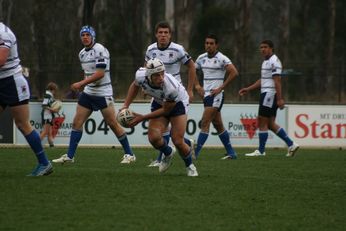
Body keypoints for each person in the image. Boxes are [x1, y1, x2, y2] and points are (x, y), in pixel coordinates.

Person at [52, 25, 135, 164]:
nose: (85, 37)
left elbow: (100, 74)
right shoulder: (81, 53)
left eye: (87, 35)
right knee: (76, 123)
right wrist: (83, 86)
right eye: (82, 35)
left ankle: (130, 154)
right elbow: (88, 73)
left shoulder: (100, 50)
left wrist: (81, 83)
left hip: (103, 93)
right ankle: (70, 156)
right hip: (89, 93)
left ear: (93, 37)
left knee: (113, 124)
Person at [122, 58, 198, 176]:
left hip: (178, 103)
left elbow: (166, 110)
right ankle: (168, 153)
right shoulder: (140, 75)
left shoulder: (170, 87)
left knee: (177, 140)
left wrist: (142, 117)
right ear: (148, 76)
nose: (161, 77)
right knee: (154, 138)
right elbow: (135, 85)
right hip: (159, 102)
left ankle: (190, 166)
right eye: (157, 75)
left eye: (162, 73)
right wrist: (125, 105)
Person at [0, 22, 52, 176]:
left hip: (12, 82)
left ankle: (44, 163)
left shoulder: (3, 33)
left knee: (23, 124)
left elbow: (1, 60)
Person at [145, 21, 196, 167]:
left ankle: (165, 157)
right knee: (161, 130)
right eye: (160, 33)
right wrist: (146, 86)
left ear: (170, 35)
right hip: (157, 94)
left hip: (174, 94)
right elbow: (146, 69)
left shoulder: (178, 49)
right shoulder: (150, 50)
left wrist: (191, 89)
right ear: (156, 34)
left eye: (166, 33)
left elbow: (192, 67)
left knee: (172, 133)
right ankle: (170, 153)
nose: (163, 35)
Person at [239, 40, 299, 157]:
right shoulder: (266, 62)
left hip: (269, 94)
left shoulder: (274, 61)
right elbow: (263, 80)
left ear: (271, 48)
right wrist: (248, 88)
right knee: (270, 124)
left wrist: (280, 98)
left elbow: (277, 81)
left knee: (262, 120)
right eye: (261, 47)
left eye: (265, 47)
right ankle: (291, 144)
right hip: (267, 93)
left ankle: (261, 151)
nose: (262, 49)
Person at [194, 34, 238, 160]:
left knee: (204, 122)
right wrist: (197, 86)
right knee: (218, 124)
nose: (208, 45)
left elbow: (234, 72)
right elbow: (192, 69)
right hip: (206, 95)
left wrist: (221, 87)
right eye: (207, 43)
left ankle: (194, 153)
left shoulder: (221, 58)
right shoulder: (201, 58)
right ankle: (231, 153)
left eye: (211, 43)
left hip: (216, 95)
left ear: (216, 45)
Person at [40, 82, 59, 147]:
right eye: (55, 90)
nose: (55, 92)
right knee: (45, 132)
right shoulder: (47, 95)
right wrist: (53, 110)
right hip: (47, 115)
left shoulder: (50, 96)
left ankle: (52, 146)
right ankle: (36, 145)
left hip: (49, 115)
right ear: (52, 89)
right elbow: (44, 105)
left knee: (49, 132)